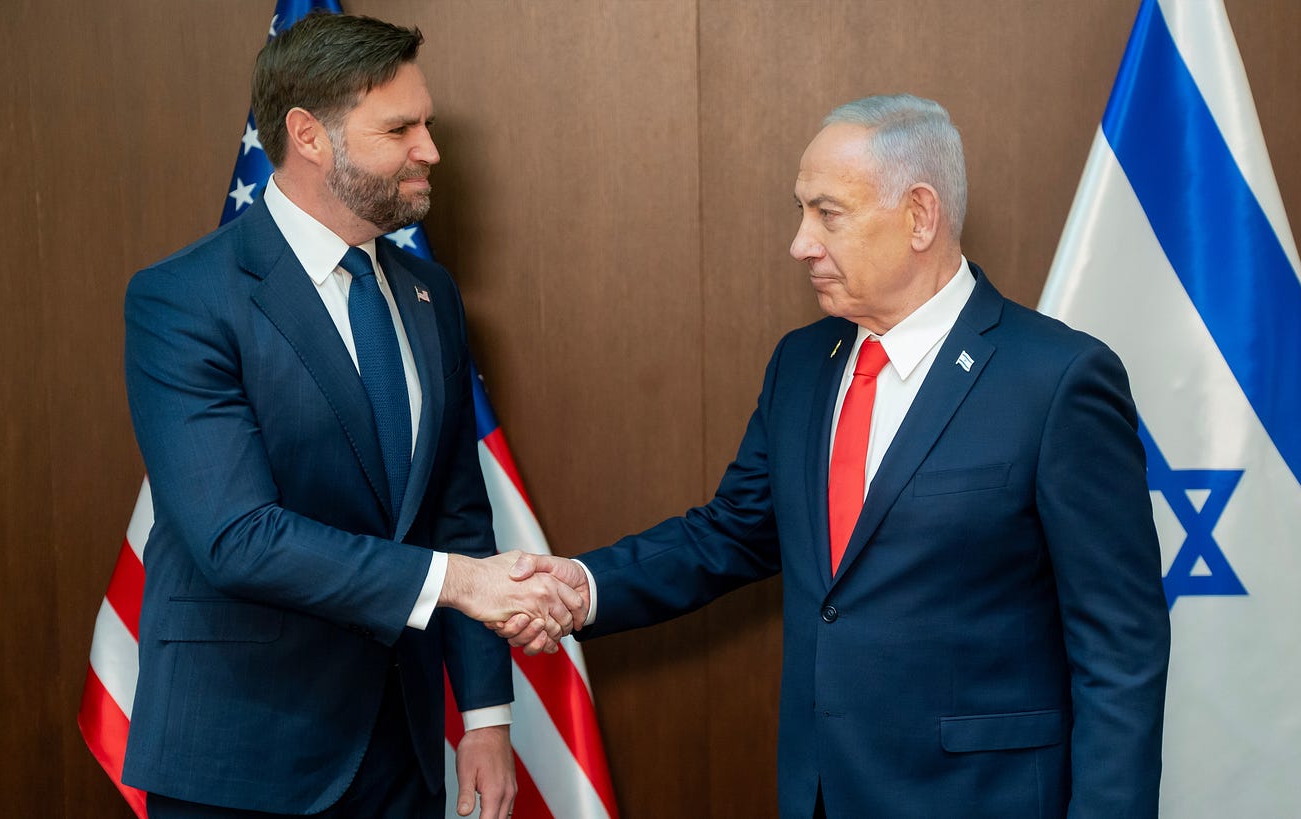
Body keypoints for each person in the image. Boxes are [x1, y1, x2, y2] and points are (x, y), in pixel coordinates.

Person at [500, 95, 1171, 817]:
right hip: (821, 794)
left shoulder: (1057, 379)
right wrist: (580, 585)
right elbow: (730, 532)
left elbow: (1121, 650)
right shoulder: (802, 364)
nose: (800, 243)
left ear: (919, 215)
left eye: (828, 213)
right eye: (801, 211)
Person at [122, 12, 583, 819]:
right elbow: (236, 537)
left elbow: (455, 514)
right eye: (400, 127)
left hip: (400, 754)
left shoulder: (431, 296)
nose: (431, 149)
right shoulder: (184, 299)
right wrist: (460, 584)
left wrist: (483, 717)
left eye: (427, 123)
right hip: (243, 756)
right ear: (309, 135)